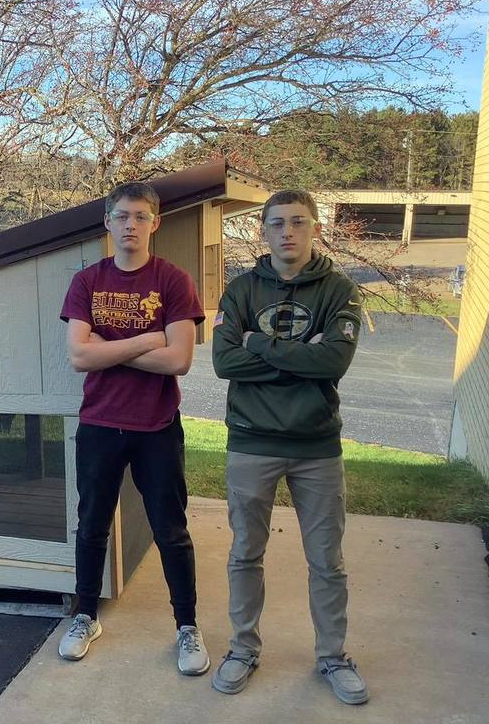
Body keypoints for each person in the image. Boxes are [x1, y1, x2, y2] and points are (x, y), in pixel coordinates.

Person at [210, 189, 368, 704]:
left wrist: (257, 342)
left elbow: (333, 365)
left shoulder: (340, 290)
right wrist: (302, 351)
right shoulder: (239, 291)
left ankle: (332, 657)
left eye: (298, 222)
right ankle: (242, 649)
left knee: (327, 560)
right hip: (251, 442)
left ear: (315, 228)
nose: (287, 232)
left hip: (317, 447)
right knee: (244, 554)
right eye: (277, 224)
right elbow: (223, 364)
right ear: (264, 232)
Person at [58, 181, 209, 675]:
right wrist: (148, 338)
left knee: (171, 529)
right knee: (91, 525)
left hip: (156, 426)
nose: (130, 225)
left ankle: (187, 626)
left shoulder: (173, 280)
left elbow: (179, 360)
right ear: (108, 223)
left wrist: (114, 345)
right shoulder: (87, 282)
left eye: (140, 217)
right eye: (122, 216)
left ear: (155, 223)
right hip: (100, 424)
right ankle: (84, 615)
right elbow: (80, 356)